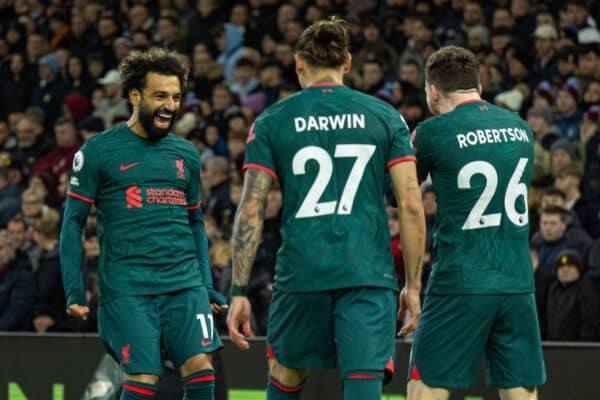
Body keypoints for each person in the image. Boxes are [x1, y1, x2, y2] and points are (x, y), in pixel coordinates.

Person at [226, 18, 425, 400]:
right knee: (363, 383)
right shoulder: (385, 117)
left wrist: (238, 290)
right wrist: (413, 286)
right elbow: (411, 205)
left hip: (302, 273)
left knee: (285, 376)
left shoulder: (271, 121)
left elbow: (251, 210)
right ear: (347, 63)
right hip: (367, 273)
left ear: (298, 63)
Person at [60, 48, 227, 400]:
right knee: (144, 378)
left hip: (184, 284)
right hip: (128, 288)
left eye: (177, 97)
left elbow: (195, 222)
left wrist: (206, 284)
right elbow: (73, 223)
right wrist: (75, 290)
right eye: (160, 96)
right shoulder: (98, 152)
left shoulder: (186, 154)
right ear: (135, 95)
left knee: (201, 369)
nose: (170, 105)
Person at [409, 46, 546, 400]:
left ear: (433, 91)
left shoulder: (431, 132)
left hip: (461, 280)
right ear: (479, 87)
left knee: (425, 386)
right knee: (521, 392)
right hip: (516, 281)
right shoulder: (520, 128)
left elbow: (398, 196)